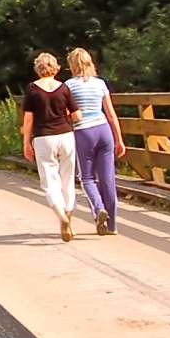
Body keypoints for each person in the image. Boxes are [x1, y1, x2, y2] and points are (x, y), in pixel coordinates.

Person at [66, 48, 126, 236]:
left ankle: (99, 208)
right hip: (104, 130)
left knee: (87, 177)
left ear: (72, 66)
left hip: (84, 132)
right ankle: (112, 226)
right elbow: (110, 113)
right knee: (108, 179)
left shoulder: (68, 85)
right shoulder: (100, 84)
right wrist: (119, 139)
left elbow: (68, 114)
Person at [21, 53, 80, 241]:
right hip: (65, 135)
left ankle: (61, 217)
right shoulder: (63, 88)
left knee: (49, 181)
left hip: (44, 138)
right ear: (56, 67)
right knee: (67, 179)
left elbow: (28, 119)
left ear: (38, 69)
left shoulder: (32, 89)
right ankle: (68, 219)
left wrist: (26, 143)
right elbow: (77, 115)